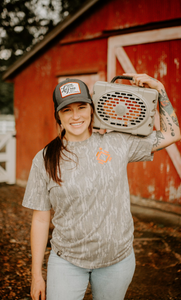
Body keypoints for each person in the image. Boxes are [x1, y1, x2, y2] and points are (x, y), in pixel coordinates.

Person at [22, 74, 180, 300]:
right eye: (67, 110)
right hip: (67, 260)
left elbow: (172, 134)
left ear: (92, 109)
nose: (75, 116)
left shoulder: (117, 142)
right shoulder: (45, 158)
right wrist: (36, 274)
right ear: (58, 116)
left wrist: (160, 89)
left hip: (116, 261)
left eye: (81, 107)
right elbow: (40, 219)